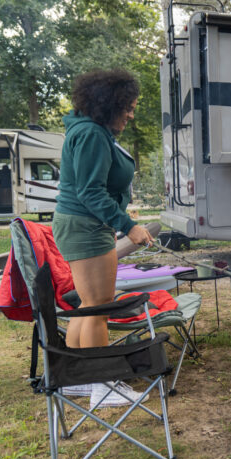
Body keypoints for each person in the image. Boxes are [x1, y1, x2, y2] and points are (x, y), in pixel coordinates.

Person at [52, 69, 154, 407]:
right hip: (84, 226)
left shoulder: (92, 131)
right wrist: (127, 224)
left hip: (82, 225)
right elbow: (90, 191)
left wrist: (120, 215)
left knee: (88, 306)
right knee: (99, 307)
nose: (130, 113)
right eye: (126, 106)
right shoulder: (93, 134)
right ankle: (103, 385)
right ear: (107, 104)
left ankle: (77, 380)